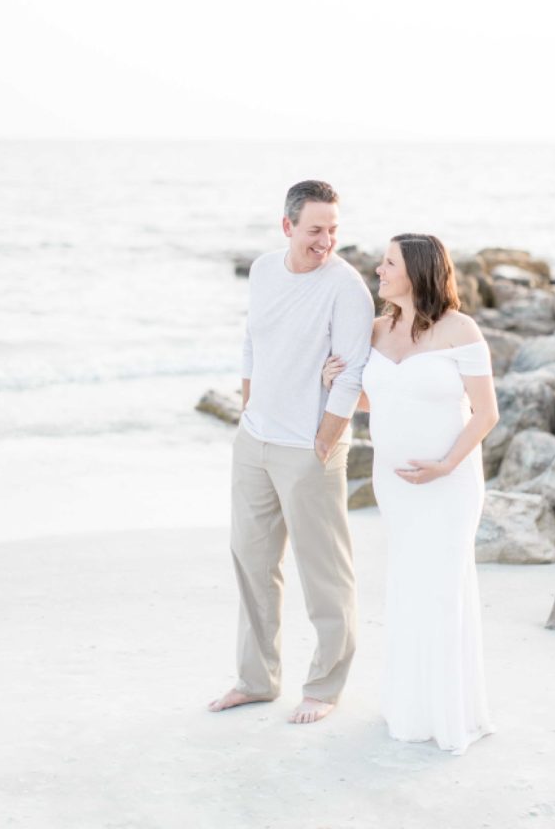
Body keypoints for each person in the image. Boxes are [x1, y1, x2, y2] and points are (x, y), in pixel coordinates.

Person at [322, 234, 499, 752]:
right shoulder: (376, 330)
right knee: (408, 586)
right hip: (395, 482)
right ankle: (410, 707)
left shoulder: (459, 329)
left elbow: (485, 412)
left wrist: (446, 465)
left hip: (450, 483)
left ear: (417, 271)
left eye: (389, 262)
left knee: (443, 589)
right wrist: (332, 379)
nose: (378, 269)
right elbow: (383, 401)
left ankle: (451, 713)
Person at [208, 180, 374, 724]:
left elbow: (349, 376)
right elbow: (252, 338)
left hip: (309, 449)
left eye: (333, 230)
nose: (326, 241)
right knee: (253, 565)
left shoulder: (347, 288)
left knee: (324, 572)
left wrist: (323, 442)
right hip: (254, 441)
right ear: (287, 227)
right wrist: (248, 407)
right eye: (314, 230)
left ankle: (325, 685)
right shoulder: (262, 270)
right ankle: (256, 680)